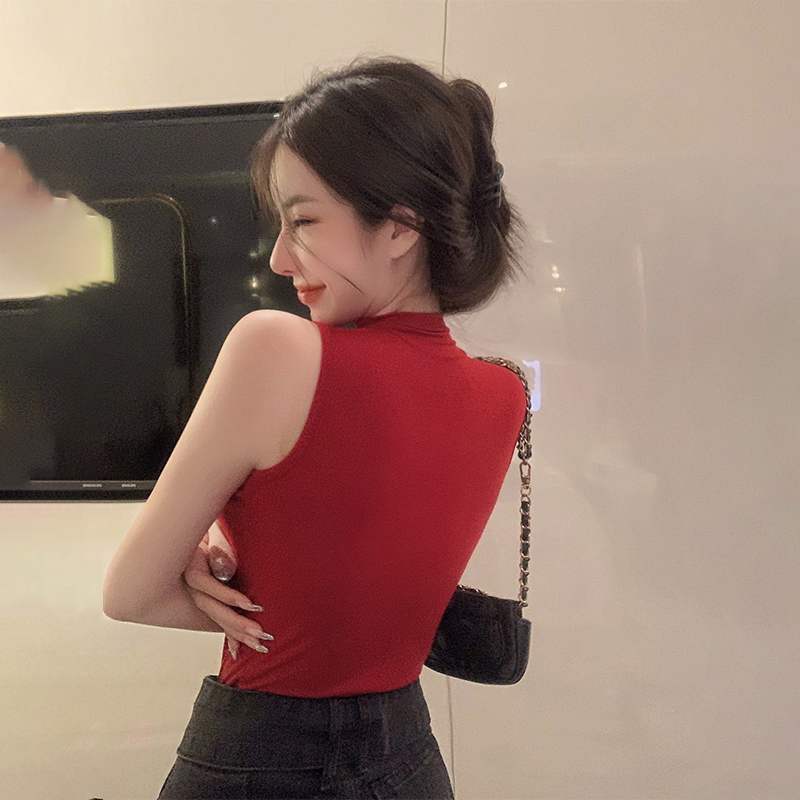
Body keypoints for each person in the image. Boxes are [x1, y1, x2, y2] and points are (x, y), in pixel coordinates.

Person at [104, 54, 529, 799]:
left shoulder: (276, 349)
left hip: (261, 758)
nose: (278, 257)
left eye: (302, 221)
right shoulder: (504, 393)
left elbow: (129, 595)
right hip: (409, 762)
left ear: (401, 224)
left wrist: (230, 586)